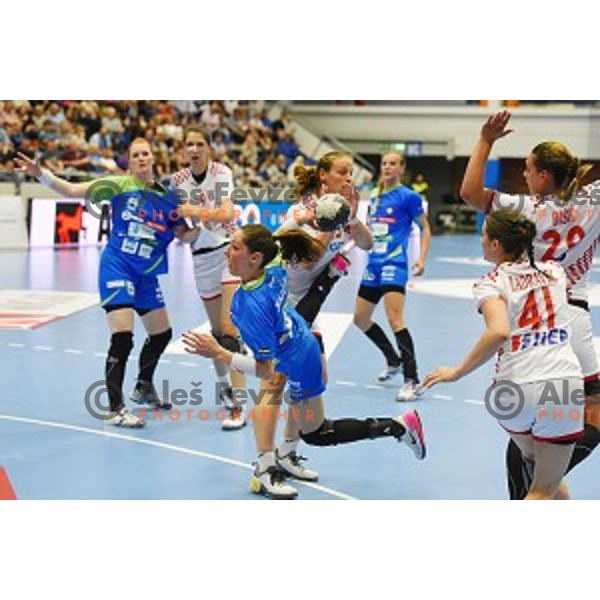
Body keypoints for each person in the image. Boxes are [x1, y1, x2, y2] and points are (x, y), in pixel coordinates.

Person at [183, 224, 426, 500]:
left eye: (235, 247)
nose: (227, 251)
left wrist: (220, 353)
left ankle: (398, 426)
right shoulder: (272, 269)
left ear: (255, 258)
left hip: (297, 359)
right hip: (303, 341)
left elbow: (265, 369)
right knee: (310, 423)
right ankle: (281, 457)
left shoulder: (248, 306)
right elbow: (279, 247)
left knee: (313, 428)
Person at [460, 110, 600, 499]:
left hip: (532, 316)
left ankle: (540, 476)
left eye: (528, 169)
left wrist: (486, 140)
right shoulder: (593, 200)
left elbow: (470, 193)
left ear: (542, 176)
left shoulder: (524, 209)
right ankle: (544, 477)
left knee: (528, 422)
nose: (524, 175)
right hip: (572, 314)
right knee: (589, 410)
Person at [15, 140, 198, 427]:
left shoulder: (167, 196)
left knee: (162, 334)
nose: (141, 157)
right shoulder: (118, 184)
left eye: (145, 153)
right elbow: (73, 190)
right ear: (129, 161)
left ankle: (143, 386)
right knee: (123, 336)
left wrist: (208, 224)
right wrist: (41, 174)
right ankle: (115, 408)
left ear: (153, 157)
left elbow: (183, 234)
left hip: (147, 273)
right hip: (118, 266)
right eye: (135, 154)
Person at [423, 210, 584, 500]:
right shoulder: (554, 272)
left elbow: (499, 331)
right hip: (561, 383)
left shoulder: (491, 282)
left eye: (484, 235)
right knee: (544, 488)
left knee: (546, 476)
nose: (481, 240)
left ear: (496, 244)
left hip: (512, 391)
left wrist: (456, 372)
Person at [269, 151, 374, 482]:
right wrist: (333, 223)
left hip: (305, 308)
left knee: (315, 379)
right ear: (323, 176)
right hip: (279, 302)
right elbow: (307, 259)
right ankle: (268, 457)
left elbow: (367, 244)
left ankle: (286, 452)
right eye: (342, 173)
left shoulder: (340, 212)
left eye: (351, 173)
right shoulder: (301, 211)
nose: (348, 179)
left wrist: (352, 218)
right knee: (281, 380)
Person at [171, 126, 247, 431]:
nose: (194, 149)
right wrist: (186, 231)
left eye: (199, 144)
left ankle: (239, 405)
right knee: (216, 333)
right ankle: (223, 387)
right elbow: (180, 230)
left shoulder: (221, 172)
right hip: (201, 258)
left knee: (230, 330)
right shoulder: (176, 181)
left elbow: (227, 214)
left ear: (208, 148)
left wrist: (192, 210)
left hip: (229, 252)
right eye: (189, 145)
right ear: (183, 150)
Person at [353, 151, 432, 401]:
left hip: (394, 263)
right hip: (373, 264)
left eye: (393, 164)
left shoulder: (409, 196)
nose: (387, 167)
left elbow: (425, 228)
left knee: (395, 319)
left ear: (401, 168)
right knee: (360, 318)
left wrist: (421, 258)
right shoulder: (375, 196)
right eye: (384, 163)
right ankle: (392, 359)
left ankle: (412, 379)